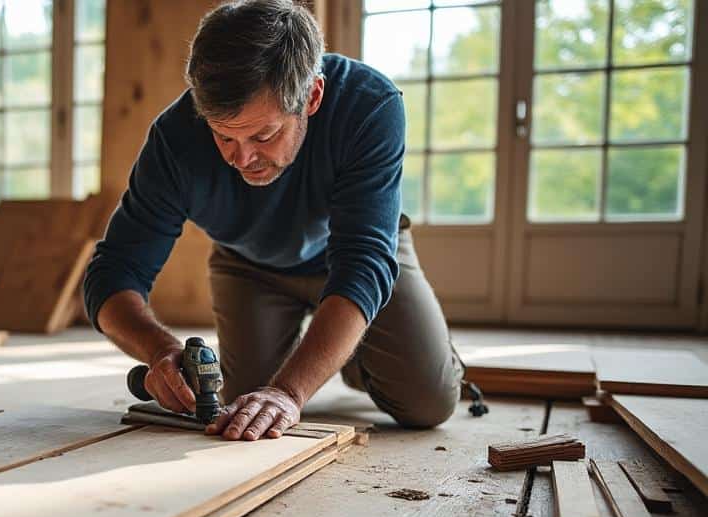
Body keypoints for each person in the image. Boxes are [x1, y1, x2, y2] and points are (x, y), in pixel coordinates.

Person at [83, 0, 462, 441]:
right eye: (223, 135)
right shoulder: (175, 138)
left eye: (264, 135)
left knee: (428, 403)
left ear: (313, 96)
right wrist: (160, 351)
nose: (241, 158)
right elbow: (111, 275)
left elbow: (363, 263)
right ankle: (345, 346)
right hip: (250, 265)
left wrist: (289, 390)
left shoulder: (369, 105)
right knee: (240, 401)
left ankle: (355, 354)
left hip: (359, 249)